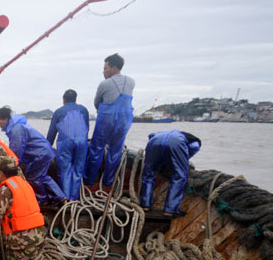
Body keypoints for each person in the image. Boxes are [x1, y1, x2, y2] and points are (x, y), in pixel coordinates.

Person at [0, 107, 65, 205]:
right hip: (42, 152)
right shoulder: (17, 125)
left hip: (39, 154)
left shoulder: (16, 128)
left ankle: (42, 200)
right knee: (42, 177)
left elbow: (16, 150)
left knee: (34, 177)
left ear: (4, 119)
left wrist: (12, 164)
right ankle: (59, 197)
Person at [84, 53, 135, 188]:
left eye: (105, 68)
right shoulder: (131, 82)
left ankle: (89, 180)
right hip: (124, 121)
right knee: (115, 151)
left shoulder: (104, 84)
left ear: (113, 68)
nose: (103, 71)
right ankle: (108, 182)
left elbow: (97, 103)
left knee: (96, 149)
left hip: (107, 120)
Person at [140, 130, 201, 215]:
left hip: (154, 141)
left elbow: (150, 136)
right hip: (175, 143)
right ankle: (170, 209)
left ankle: (145, 205)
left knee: (148, 174)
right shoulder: (195, 141)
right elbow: (194, 147)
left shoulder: (160, 133)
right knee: (179, 176)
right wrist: (183, 159)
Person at [47, 89, 90, 201]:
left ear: (63, 100)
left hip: (65, 143)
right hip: (82, 142)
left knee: (65, 170)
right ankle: (74, 198)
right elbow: (86, 128)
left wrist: (47, 147)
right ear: (76, 99)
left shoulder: (58, 112)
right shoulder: (84, 110)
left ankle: (65, 199)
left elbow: (52, 133)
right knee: (78, 170)